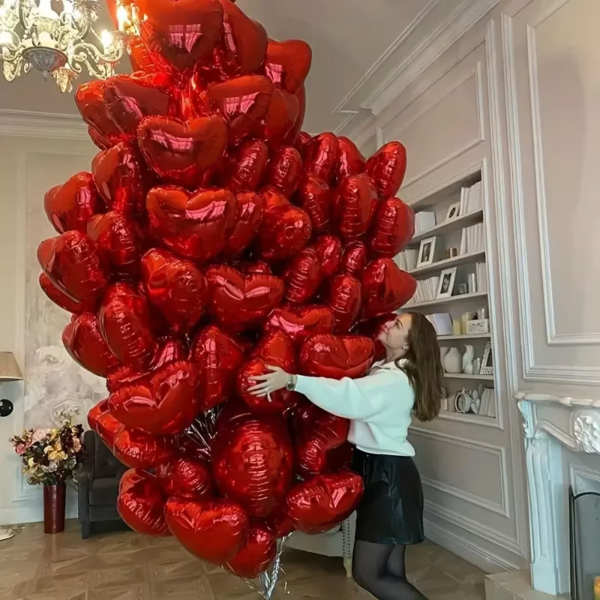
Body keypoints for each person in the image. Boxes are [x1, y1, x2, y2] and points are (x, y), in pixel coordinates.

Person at [249, 311, 443, 600]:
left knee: (367, 573)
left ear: (408, 344)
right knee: (390, 574)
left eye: (398, 325)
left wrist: (292, 380)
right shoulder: (386, 371)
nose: (389, 324)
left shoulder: (393, 381)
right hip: (386, 476)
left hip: (389, 481)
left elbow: (348, 395)